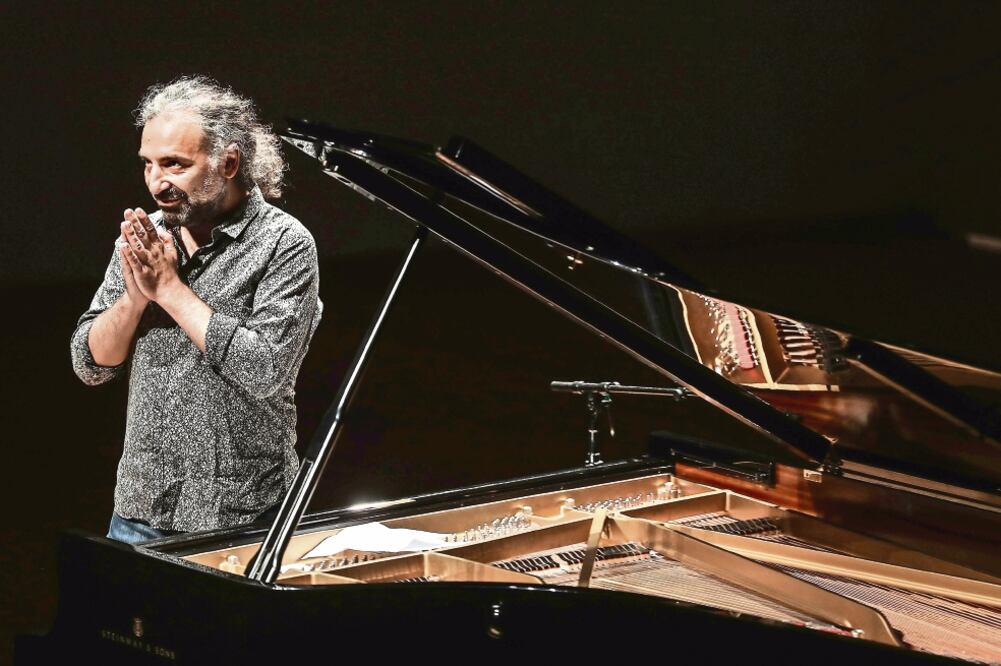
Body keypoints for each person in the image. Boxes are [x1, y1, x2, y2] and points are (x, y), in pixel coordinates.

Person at [70, 76, 322, 544]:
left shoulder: (283, 244)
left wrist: (169, 289)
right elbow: (89, 364)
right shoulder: (146, 240)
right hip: (138, 511)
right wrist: (134, 298)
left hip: (240, 518)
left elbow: (265, 368)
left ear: (228, 162)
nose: (156, 183)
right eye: (148, 165)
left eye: (174, 165)